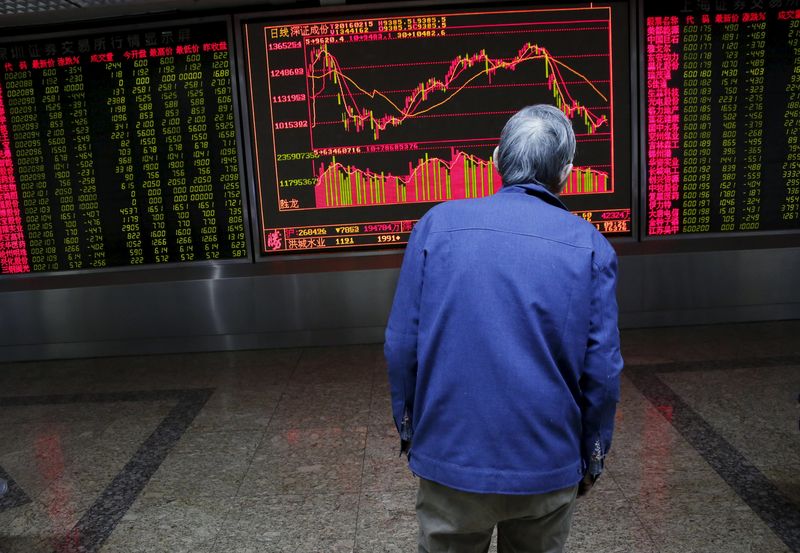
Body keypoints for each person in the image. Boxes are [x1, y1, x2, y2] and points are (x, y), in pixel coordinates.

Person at [384, 104, 623, 553]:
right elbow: (603, 372)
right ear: (567, 173)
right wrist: (592, 455)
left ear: (496, 161)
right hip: (546, 466)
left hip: (451, 460)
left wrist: (413, 430)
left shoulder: (436, 226)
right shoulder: (590, 245)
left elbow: (401, 347)